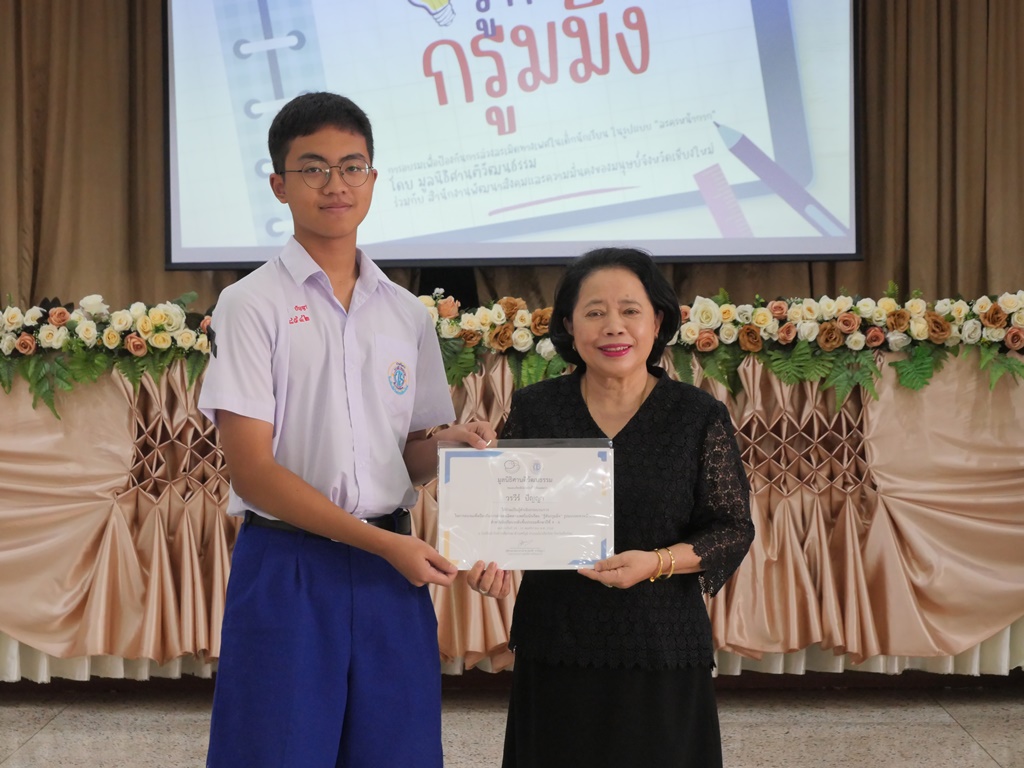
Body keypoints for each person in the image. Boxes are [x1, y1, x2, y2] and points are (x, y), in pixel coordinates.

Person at [198, 91, 495, 768]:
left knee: (398, 752)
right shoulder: (250, 304)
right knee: (277, 752)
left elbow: (403, 455)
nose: (336, 184)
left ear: (373, 179)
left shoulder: (406, 313)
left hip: (392, 572)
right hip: (291, 566)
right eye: (313, 168)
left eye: (352, 167)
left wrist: (442, 448)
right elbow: (253, 473)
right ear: (279, 184)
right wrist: (383, 545)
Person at [468, 246, 755, 768]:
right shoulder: (537, 408)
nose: (613, 327)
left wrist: (657, 562)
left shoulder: (696, 415)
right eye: (595, 312)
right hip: (556, 641)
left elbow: (732, 528)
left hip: (661, 644)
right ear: (569, 326)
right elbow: (507, 516)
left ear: (657, 321)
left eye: (629, 310)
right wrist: (492, 561)